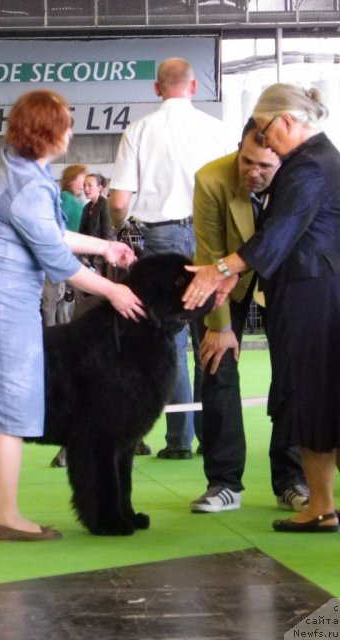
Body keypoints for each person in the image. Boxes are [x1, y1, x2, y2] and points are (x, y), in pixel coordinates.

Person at [0, 89, 145, 542]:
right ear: (49, 132)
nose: (72, 131)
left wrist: (104, 246)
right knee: (7, 414)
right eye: (67, 124)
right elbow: (56, 260)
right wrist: (113, 288)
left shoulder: (5, 165)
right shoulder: (29, 185)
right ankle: (8, 517)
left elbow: (48, 232)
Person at [182, 83, 340, 533]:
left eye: (268, 135)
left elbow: (276, 236)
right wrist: (224, 281)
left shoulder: (308, 167)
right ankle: (319, 507)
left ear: (287, 121)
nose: (265, 143)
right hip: (304, 293)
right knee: (312, 402)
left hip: (312, 295)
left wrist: (220, 270)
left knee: (314, 401)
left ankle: (313, 500)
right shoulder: (307, 163)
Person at [108, 56, 232, 460]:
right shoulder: (217, 130)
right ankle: (215, 438)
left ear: (156, 89)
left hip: (163, 240)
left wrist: (119, 228)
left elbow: (119, 201)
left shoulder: (140, 130)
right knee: (213, 332)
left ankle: (179, 440)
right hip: (214, 237)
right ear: (194, 88)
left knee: (170, 340)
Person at [189, 117, 308, 513]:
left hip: (286, 282)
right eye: (246, 161)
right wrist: (219, 327)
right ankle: (224, 483)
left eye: (264, 166)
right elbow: (209, 255)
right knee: (216, 367)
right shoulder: (210, 179)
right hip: (225, 280)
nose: (252, 172)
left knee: (293, 376)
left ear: (283, 160)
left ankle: (291, 479)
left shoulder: (302, 180)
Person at [42, 164, 87, 327]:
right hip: (62, 254)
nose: (84, 183)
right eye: (81, 179)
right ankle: (50, 332)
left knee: (64, 297)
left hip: (70, 254)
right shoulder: (66, 198)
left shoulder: (76, 200)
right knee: (54, 297)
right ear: (72, 180)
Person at [79, 173, 115, 275]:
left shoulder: (105, 205)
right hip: (90, 255)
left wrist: (103, 259)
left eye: (90, 185)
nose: (86, 189)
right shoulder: (87, 207)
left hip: (100, 258)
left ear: (99, 188)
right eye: (84, 185)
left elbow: (108, 235)